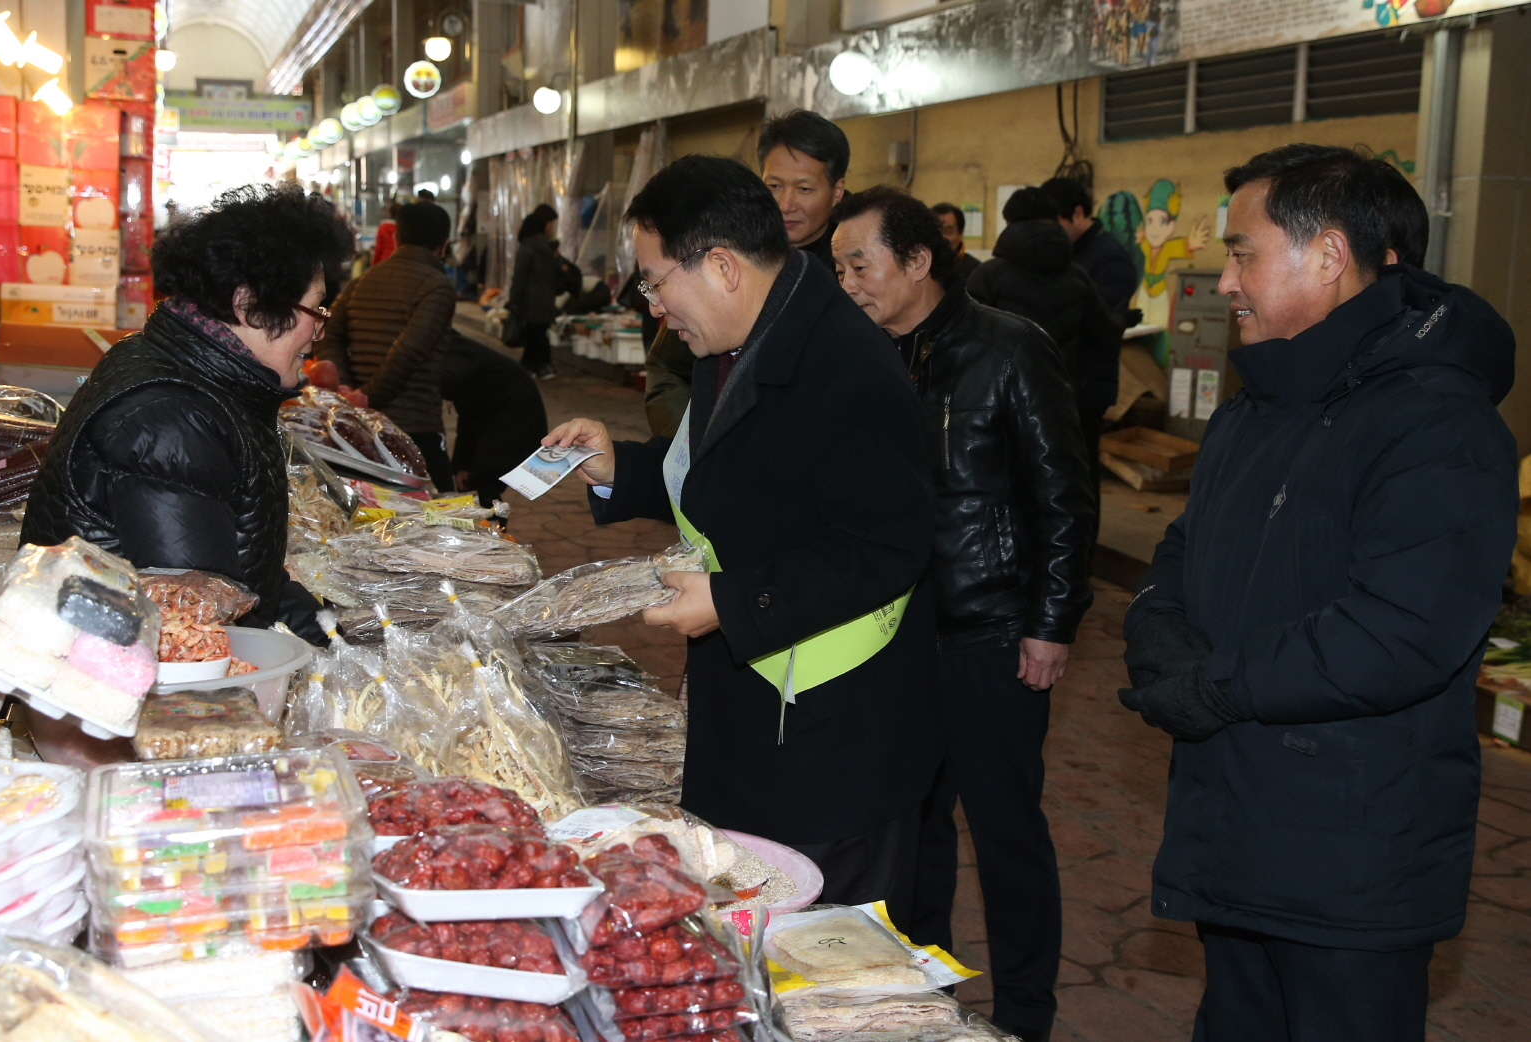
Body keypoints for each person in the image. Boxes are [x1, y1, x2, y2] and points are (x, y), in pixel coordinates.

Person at [1119, 144, 1518, 1042]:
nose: (1224, 283)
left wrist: (1215, 686)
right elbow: (1181, 551)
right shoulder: (1258, 403)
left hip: (1352, 861)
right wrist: (1160, 638)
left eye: (1242, 253)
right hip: (1238, 826)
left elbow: (1401, 633)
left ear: (1330, 256)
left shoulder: (1438, 425)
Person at [545, 156, 940, 928]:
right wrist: (619, 469)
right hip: (757, 713)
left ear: (722, 266)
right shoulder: (738, 343)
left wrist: (730, 601)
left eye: (657, 282)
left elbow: (889, 546)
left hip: (833, 741)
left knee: (817, 947)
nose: (654, 306)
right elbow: (732, 475)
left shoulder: (845, 368)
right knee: (741, 924)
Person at [832, 186, 1093, 1042]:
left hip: (991, 633)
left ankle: (1025, 1011)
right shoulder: (862, 358)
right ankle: (924, 991)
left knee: (1005, 831)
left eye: (859, 265)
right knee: (911, 827)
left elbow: (1064, 494)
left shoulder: (1009, 349)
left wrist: (1052, 620)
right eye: (838, 269)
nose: (848, 284)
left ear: (917, 261)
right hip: (893, 631)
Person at [23, 182, 352, 636]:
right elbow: (197, 619)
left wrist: (342, 635)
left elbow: (246, 579)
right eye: (315, 310)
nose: (318, 333)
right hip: (130, 681)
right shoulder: (174, 419)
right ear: (248, 305)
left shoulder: (194, 375)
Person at [969, 187, 1122, 479]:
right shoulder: (1078, 277)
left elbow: (967, 344)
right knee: (1070, 482)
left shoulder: (988, 275)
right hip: (1063, 403)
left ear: (1009, 223)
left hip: (1001, 406)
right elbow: (1105, 334)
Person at [318, 201, 458, 490]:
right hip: (415, 424)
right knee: (438, 507)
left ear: (396, 238)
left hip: (360, 428)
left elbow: (329, 333)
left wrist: (346, 389)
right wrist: (365, 398)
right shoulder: (437, 286)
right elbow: (410, 351)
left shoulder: (361, 282)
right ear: (443, 245)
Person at [440, 328, 549, 505]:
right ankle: (491, 521)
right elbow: (467, 415)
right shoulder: (447, 348)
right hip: (490, 413)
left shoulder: (450, 351)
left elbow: (466, 411)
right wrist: (462, 465)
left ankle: (496, 526)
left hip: (513, 413)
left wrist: (464, 464)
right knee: (476, 480)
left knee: (484, 478)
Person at [1040, 176, 1140, 325]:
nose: (1045, 232)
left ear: (1078, 214)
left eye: (1053, 223)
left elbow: (1099, 322)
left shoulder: (1112, 260)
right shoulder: (1060, 250)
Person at [759, 109, 850, 271]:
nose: (785, 206)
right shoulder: (737, 247)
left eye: (804, 189)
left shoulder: (856, 258)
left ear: (837, 192)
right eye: (774, 186)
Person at [507, 203, 581, 379]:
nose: (552, 228)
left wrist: (514, 299)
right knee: (538, 334)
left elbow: (519, 276)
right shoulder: (546, 248)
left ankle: (535, 367)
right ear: (544, 223)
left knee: (535, 335)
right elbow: (553, 275)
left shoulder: (528, 247)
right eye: (551, 224)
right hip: (545, 299)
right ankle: (537, 366)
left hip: (530, 300)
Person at [930, 203, 980, 285]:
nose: (942, 238)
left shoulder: (974, 270)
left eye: (948, 231)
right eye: (936, 232)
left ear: (960, 234)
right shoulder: (918, 267)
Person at [372, 199, 400, 266]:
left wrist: (374, 265)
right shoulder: (403, 228)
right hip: (399, 262)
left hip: (384, 262)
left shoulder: (383, 228)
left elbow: (379, 249)